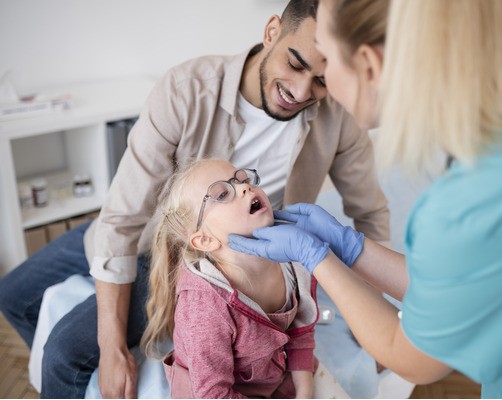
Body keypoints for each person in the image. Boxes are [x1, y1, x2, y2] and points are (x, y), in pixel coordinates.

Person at [0, 0, 390, 397]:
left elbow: (370, 212)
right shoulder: (186, 90)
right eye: (295, 64)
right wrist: (111, 346)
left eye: (322, 80)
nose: (302, 91)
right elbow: (122, 216)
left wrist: (378, 324)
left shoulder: (337, 117)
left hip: (190, 252)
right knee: (13, 295)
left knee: (65, 354)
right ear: (272, 31)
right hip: (147, 225)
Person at [228, 0, 502, 397]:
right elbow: (456, 284)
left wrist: (318, 258)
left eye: (327, 58)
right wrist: (349, 248)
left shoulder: (471, 207)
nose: (321, 81)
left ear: (369, 65)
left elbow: (412, 356)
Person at [140, 159, 319, 398]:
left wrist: (304, 393)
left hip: (272, 377)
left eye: (242, 179)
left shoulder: (293, 263)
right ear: (205, 240)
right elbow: (214, 394)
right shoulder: (205, 307)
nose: (245, 188)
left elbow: (301, 331)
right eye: (222, 194)